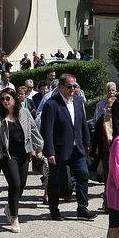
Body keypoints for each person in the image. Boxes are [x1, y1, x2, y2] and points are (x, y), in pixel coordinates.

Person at [40, 74, 95, 221]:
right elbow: (47, 130)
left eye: (74, 86)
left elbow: (82, 123)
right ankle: (54, 209)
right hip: (59, 150)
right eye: (69, 86)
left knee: (83, 175)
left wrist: (87, 142)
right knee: (56, 181)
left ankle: (82, 208)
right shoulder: (52, 104)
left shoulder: (78, 101)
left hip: (77, 148)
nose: (72, 89)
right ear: (60, 87)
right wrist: (49, 152)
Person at [0, 89, 43, 233]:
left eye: (8, 98)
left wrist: (38, 147)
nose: (5, 101)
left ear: (14, 99)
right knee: (15, 184)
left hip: (24, 154)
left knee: (21, 186)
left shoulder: (24, 112)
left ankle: (9, 207)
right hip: (8, 156)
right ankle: (14, 217)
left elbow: (33, 129)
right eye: (2, 99)